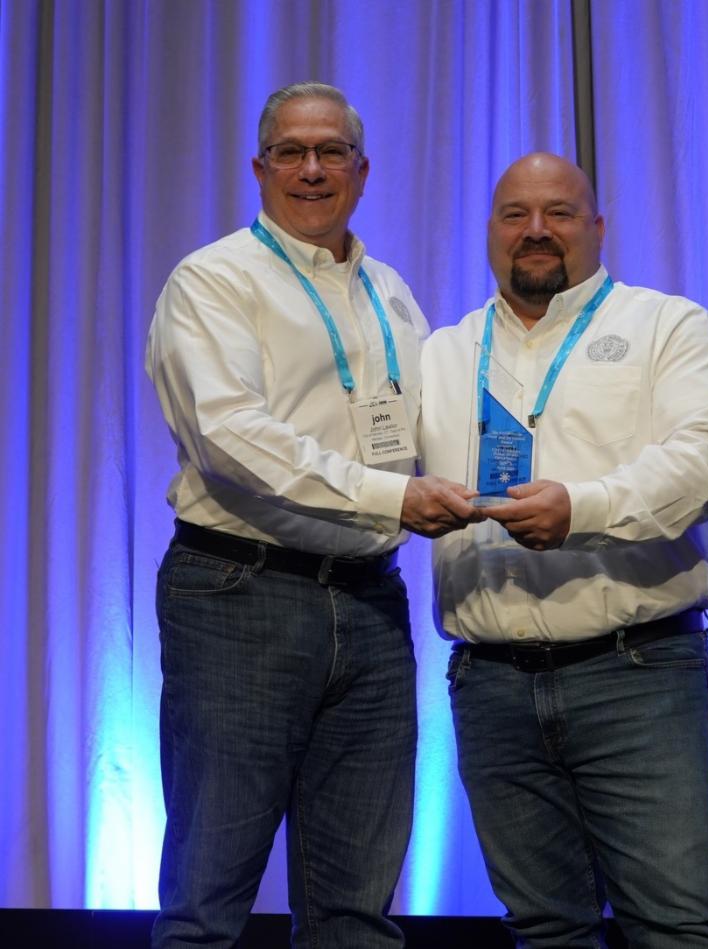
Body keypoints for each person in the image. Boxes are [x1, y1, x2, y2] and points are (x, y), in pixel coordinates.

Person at [145, 81, 480, 948]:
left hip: (371, 601)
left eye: (332, 152)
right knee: (206, 904)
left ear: (363, 172)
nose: (311, 168)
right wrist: (393, 496)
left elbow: (432, 430)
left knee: (355, 911)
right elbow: (232, 438)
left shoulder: (393, 292)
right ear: (259, 168)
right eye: (291, 151)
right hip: (241, 596)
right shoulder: (213, 280)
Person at [419, 152, 708, 948]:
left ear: (598, 227)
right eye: (515, 214)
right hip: (491, 683)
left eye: (560, 213)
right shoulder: (440, 352)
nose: (537, 231)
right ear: (489, 232)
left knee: (675, 928)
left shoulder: (666, 326)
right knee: (544, 931)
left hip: (636, 675)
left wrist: (584, 509)